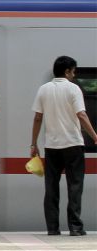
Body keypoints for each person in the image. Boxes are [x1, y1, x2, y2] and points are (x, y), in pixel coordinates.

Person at [30, 56, 97, 236]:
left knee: (51, 187)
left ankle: (52, 228)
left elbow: (37, 118)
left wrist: (33, 143)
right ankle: (75, 227)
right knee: (75, 186)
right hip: (73, 145)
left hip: (52, 147)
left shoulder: (44, 89)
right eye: (73, 71)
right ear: (67, 71)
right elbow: (81, 115)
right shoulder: (73, 89)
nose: (74, 75)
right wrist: (95, 136)